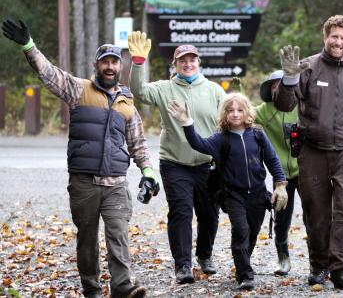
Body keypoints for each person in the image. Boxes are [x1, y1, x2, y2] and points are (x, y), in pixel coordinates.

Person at [1, 19, 156, 298]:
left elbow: (138, 143)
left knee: (118, 234)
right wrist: (28, 45)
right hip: (84, 183)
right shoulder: (78, 89)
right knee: (87, 238)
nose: (110, 67)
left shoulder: (127, 102)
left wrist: (148, 172)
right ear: (96, 65)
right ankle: (92, 288)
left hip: (116, 183)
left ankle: (122, 287)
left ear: (120, 67)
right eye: (105, 62)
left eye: (114, 62)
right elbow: (47, 73)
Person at [273, 15, 343, 289]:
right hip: (313, 151)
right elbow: (285, 105)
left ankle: (342, 268)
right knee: (317, 212)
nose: (338, 41)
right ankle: (319, 266)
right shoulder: (307, 67)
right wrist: (288, 79)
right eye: (334, 36)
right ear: (325, 37)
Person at [127, 32, 226, 283]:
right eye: (183, 60)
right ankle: (183, 265)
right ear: (175, 64)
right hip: (175, 163)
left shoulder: (214, 91)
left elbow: (227, 124)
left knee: (209, 214)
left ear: (199, 63)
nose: (188, 64)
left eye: (192, 60)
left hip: (207, 164)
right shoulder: (164, 89)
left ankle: (205, 256)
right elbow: (138, 91)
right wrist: (138, 62)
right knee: (181, 212)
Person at [167, 93, 289, 290]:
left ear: (247, 112)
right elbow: (198, 143)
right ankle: (245, 275)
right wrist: (187, 122)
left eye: (240, 110)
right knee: (240, 231)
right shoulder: (220, 139)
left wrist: (280, 185)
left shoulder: (257, 134)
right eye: (230, 110)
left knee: (251, 234)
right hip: (234, 195)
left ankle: (243, 262)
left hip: (258, 194)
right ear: (224, 114)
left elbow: (273, 159)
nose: (235, 114)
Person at [254, 70, 305, 276]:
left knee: (315, 217)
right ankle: (283, 257)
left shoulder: (304, 107)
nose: (282, 89)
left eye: (286, 85)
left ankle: (318, 261)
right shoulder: (265, 111)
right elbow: (241, 114)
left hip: (306, 170)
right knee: (281, 218)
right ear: (271, 89)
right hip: (281, 176)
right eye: (276, 85)